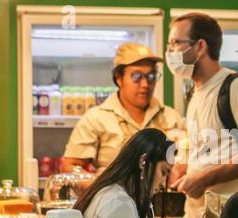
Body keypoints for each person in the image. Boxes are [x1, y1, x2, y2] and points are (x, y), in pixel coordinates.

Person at [166, 13, 238, 218]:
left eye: (175, 43)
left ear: (200, 46)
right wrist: (186, 166)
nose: (170, 51)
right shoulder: (194, 92)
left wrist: (204, 178)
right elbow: (209, 147)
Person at [62, 43, 183, 175]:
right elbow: (70, 166)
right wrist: (98, 186)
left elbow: (184, 160)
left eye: (151, 77)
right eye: (137, 76)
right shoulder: (95, 119)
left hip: (161, 194)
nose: (145, 84)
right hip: (113, 195)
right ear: (119, 78)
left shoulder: (171, 117)